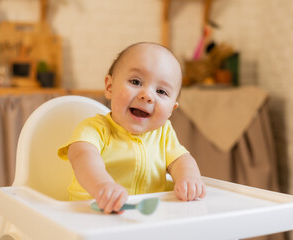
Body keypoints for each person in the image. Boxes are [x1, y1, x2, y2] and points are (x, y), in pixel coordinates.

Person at [58, 42, 206, 214]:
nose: (148, 95)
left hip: (143, 220)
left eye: (161, 92)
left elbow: (181, 160)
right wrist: (102, 185)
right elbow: (82, 156)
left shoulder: (164, 133)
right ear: (110, 87)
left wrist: (189, 180)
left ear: (171, 109)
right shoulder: (97, 128)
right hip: (93, 215)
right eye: (136, 82)